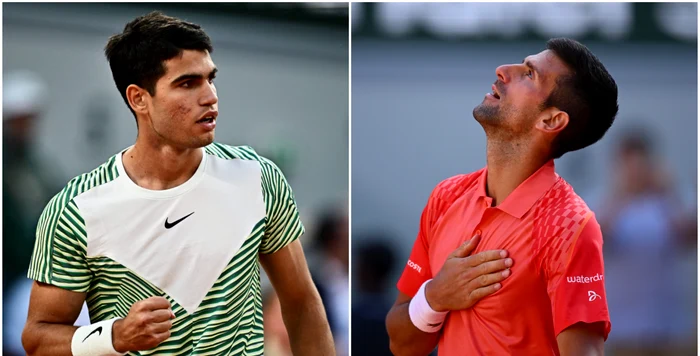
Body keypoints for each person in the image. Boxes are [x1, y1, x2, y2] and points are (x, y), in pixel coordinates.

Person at [22, 11, 334, 356]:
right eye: (188, 83)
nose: (210, 96)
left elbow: (302, 303)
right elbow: (38, 339)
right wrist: (115, 336)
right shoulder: (76, 210)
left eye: (210, 79)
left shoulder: (258, 177)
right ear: (139, 98)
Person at [386, 38, 618, 355]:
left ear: (551, 120)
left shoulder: (571, 226)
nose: (503, 70)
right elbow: (401, 343)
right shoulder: (445, 196)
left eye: (529, 74)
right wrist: (435, 296)